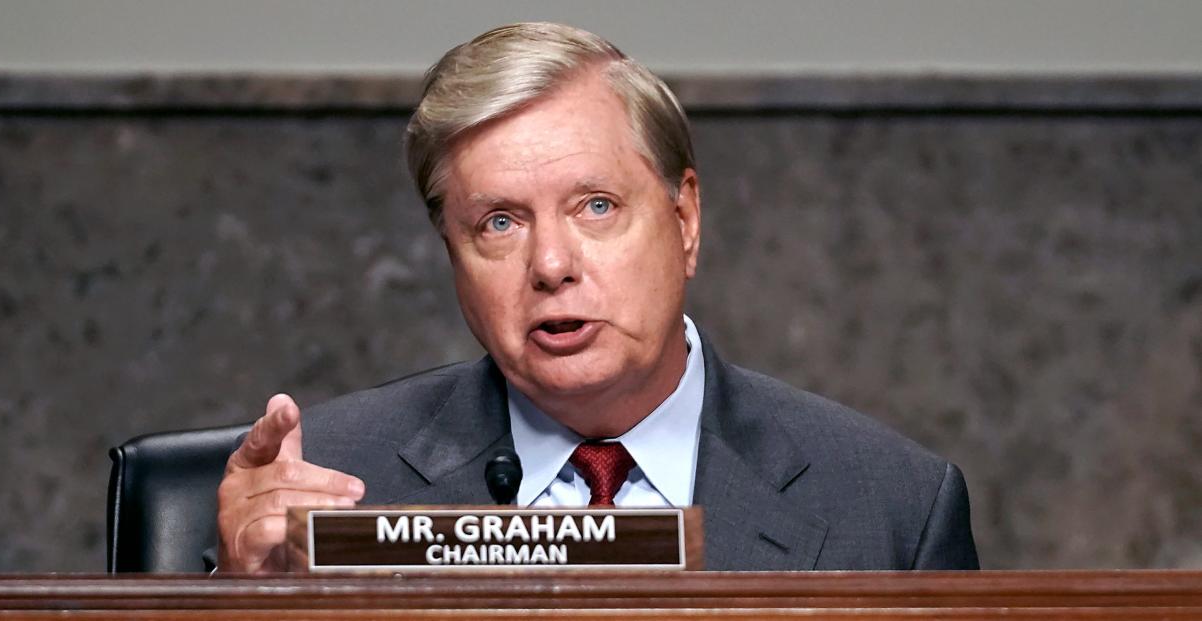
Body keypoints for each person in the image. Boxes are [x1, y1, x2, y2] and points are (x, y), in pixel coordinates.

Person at [215, 22, 979, 574]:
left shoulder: (891, 508)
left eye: (597, 207)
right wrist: (241, 603)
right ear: (452, 254)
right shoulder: (332, 484)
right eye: (500, 222)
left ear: (684, 221)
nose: (550, 263)